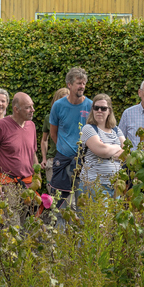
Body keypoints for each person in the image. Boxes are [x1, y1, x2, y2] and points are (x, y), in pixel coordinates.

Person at [0, 92, 39, 221]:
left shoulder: (31, 126)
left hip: (28, 184)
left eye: (32, 106)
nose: (32, 110)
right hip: (9, 185)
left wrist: (37, 176)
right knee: (12, 225)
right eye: (28, 107)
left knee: (29, 224)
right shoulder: (0, 126)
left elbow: (33, 153)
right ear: (16, 109)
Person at [48, 68, 92, 203]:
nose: (82, 86)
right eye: (79, 83)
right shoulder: (58, 106)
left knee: (82, 203)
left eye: (84, 83)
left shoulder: (90, 105)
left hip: (84, 161)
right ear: (69, 85)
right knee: (59, 203)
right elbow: (53, 133)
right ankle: (59, 224)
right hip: (63, 160)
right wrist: (64, 147)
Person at [79, 94, 126, 197]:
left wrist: (108, 149)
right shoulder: (88, 129)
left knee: (114, 213)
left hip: (115, 185)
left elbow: (127, 153)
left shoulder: (116, 130)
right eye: (96, 108)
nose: (99, 111)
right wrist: (117, 147)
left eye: (103, 108)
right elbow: (103, 151)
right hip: (94, 184)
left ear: (109, 111)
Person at [40, 87, 71, 192]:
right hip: (53, 160)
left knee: (70, 197)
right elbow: (44, 140)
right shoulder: (49, 118)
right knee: (53, 196)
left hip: (69, 160)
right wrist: (44, 158)